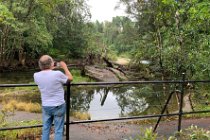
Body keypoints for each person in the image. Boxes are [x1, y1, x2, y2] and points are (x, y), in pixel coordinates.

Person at [34, 55, 73, 140]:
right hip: (58, 105)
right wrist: (65, 67)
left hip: (46, 106)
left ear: (40, 65)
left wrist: (50, 68)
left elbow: (46, 74)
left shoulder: (36, 75)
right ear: (51, 63)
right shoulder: (57, 74)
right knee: (58, 130)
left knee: (46, 129)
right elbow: (70, 78)